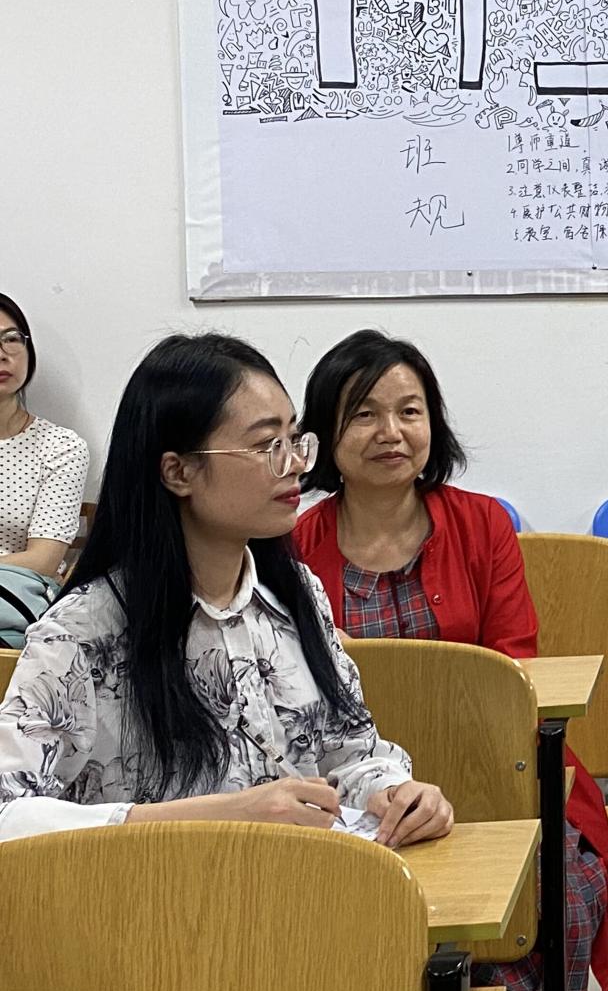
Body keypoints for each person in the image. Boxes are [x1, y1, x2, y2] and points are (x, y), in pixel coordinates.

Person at [291, 329, 608, 991]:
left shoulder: (481, 525)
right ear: (323, 433)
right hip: (350, 792)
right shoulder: (290, 548)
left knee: (557, 894)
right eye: (363, 413)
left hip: (492, 776)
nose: (391, 432)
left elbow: (512, 669)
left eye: (409, 411)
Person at [0, 333, 452, 846]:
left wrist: (394, 792)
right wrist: (222, 816)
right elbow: (7, 814)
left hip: (306, 884)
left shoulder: (295, 594)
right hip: (158, 895)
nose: (295, 465)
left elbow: (351, 751)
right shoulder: (83, 632)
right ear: (178, 471)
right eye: (266, 446)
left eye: (295, 440)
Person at [0, 292, 89, 643]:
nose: (2, 353)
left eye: (11, 339)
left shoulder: (61, 447)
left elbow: (44, 560)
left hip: (19, 607)